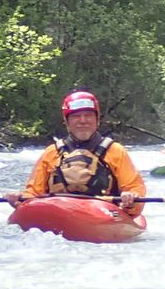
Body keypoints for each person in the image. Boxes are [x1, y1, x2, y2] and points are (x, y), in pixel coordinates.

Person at [8, 90, 145, 213]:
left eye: (88, 115)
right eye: (76, 116)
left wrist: (130, 197)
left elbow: (134, 189)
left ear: (97, 120)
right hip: (60, 209)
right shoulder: (52, 152)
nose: (83, 121)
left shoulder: (115, 150)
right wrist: (19, 199)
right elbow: (33, 193)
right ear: (66, 122)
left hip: (103, 210)